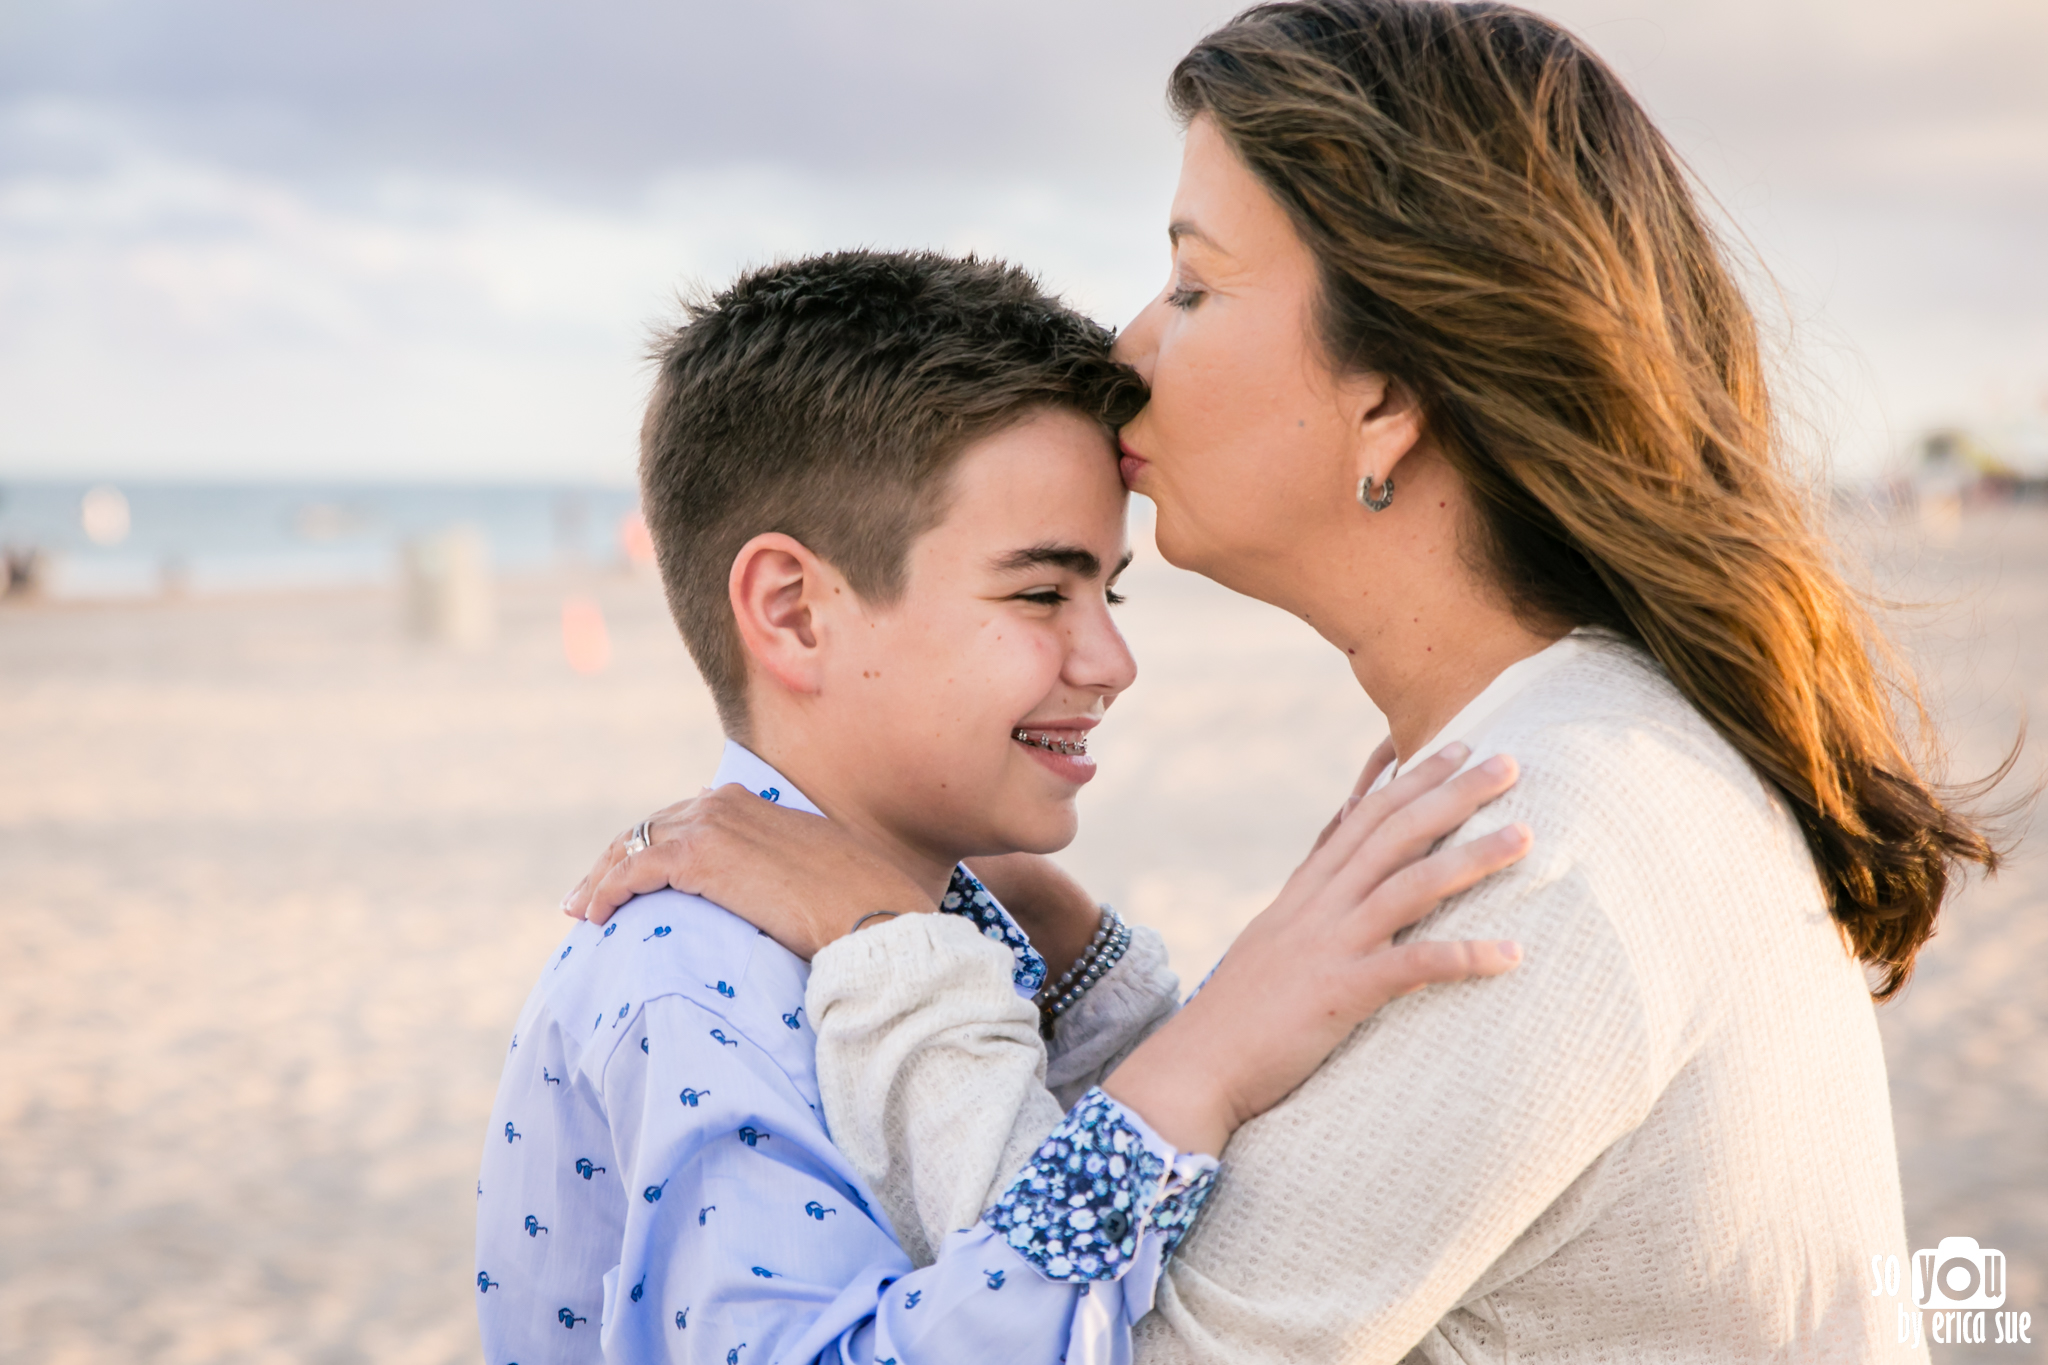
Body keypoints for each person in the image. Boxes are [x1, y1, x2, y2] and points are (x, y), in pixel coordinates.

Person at [566, 3, 2012, 1361]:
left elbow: (1110, 1335)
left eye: (1194, 282)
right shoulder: (1549, 758)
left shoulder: (1542, 836)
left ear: (1385, 392)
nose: (1130, 346)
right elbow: (1291, 1213)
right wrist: (1103, 989)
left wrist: (888, 941)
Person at [479, 249, 1531, 1365]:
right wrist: (1196, 1068)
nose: (1112, 659)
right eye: (1040, 591)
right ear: (791, 613)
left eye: (1108, 590)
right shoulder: (689, 979)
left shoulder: (971, 920)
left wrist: (1091, 981)